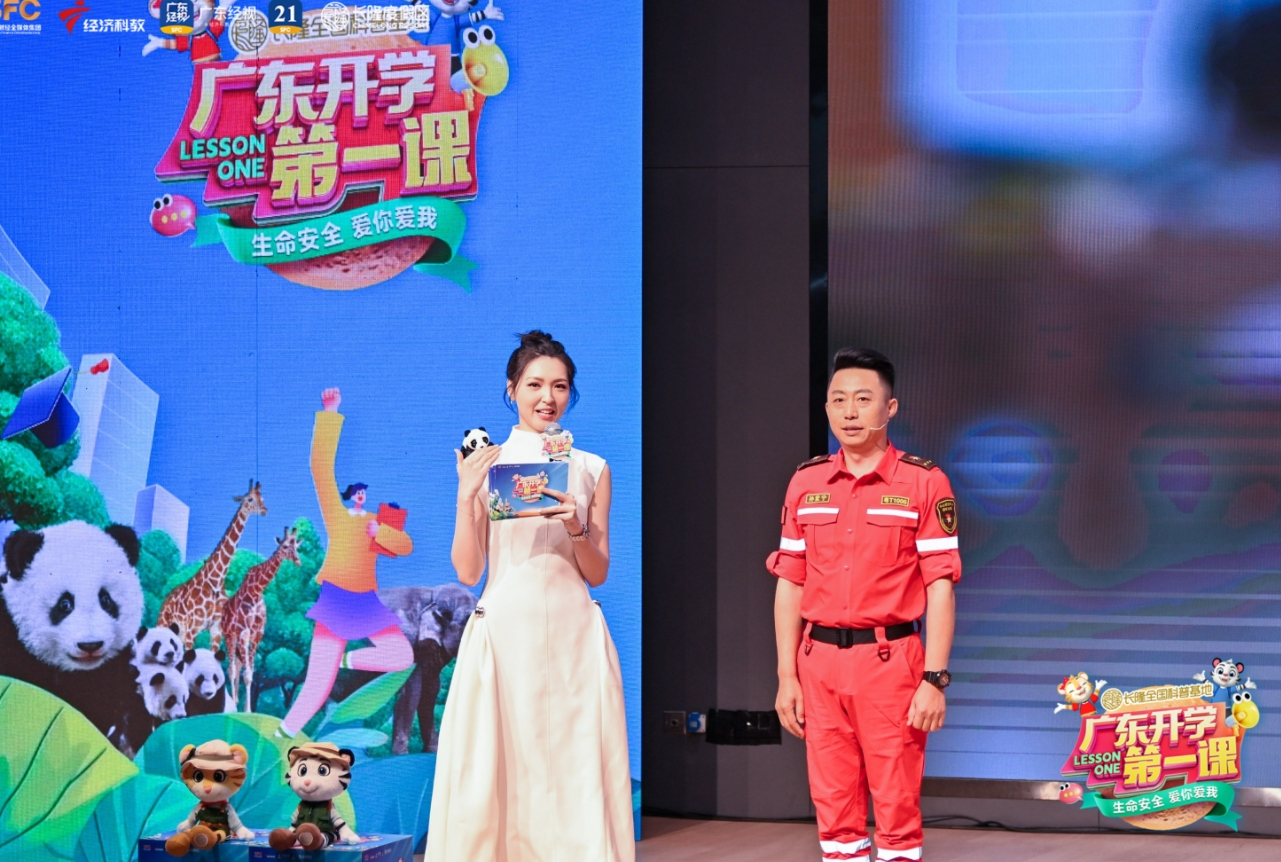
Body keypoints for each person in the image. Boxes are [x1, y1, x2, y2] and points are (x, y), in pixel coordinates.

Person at [426, 331, 634, 861]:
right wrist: (466, 495)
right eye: (535, 385)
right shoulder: (485, 465)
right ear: (512, 389)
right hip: (503, 631)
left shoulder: (591, 468)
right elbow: (469, 569)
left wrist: (577, 527)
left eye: (560, 386)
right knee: (496, 768)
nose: (548, 397)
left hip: (573, 636)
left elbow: (597, 572)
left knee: (572, 764)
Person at [769, 348, 960, 862]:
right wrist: (787, 675)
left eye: (862, 399)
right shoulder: (806, 482)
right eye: (838, 400)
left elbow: (940, 585)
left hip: (891, 663)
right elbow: (790, 582)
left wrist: (934, 679)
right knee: (833, 806)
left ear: (889, 408)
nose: (849, 412)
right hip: (818, 664)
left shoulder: (924, 481)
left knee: (896, 803)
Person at [278, 388, 414, 738]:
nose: (360, 496)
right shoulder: (337, 516)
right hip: (338, 598)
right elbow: (320, 469)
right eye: (356, 492)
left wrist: (382, 531)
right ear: (348, 496)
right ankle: (280, 737)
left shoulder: (375, 523)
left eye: (364, 493)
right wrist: (330, 412)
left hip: (365, 601)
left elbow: (404, 546)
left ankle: (344, 660)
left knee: (401, 656)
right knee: (317, 685)